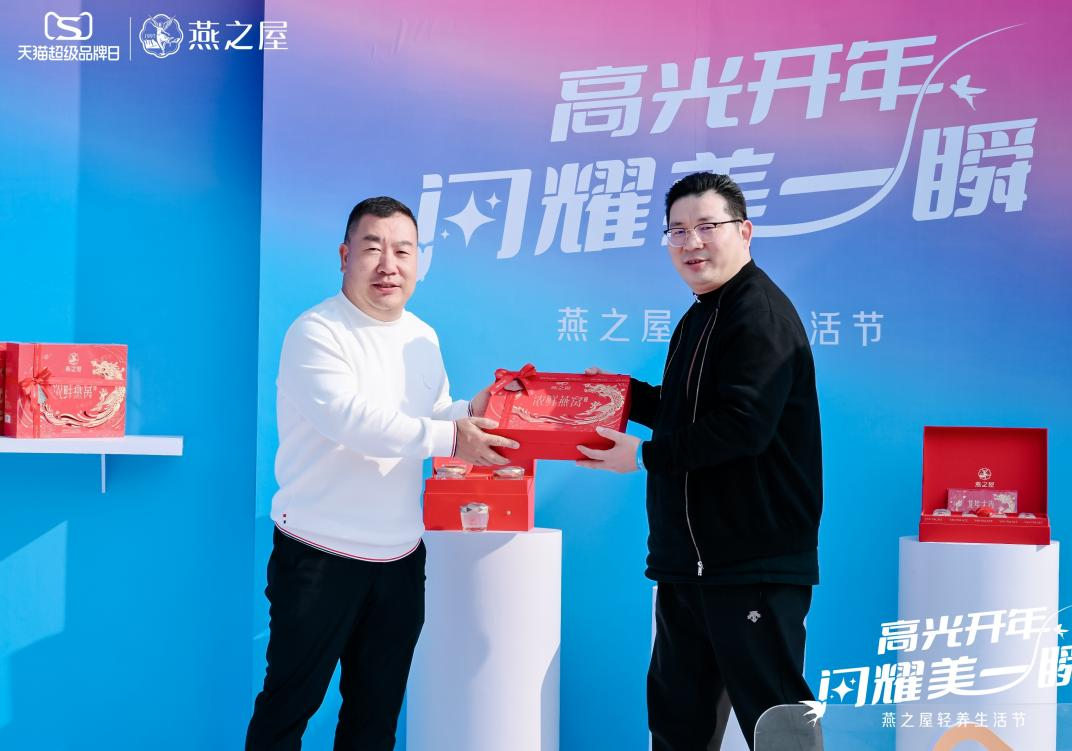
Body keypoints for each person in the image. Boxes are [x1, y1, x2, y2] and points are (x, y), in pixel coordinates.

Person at [246, 196, 517, 750]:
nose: (388, 265)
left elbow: (432, 413)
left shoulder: (422, 336)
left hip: (399, 559)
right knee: (287, 709)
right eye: (373, 248)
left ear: (419, 261)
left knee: (375, 719)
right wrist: (453, 436)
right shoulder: (316, 332)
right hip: (319, 554)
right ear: (344, 255)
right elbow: (353, 422)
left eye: (403, 251)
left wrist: (473, 411)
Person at [577, 172, 823, 749]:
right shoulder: (702, 313)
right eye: (678, 230)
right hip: (689, 566)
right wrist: (621, 397)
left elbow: (743, 425)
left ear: (745, 231)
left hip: (750, 565)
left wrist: (645, 456)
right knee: (678, 722)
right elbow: (690, 410)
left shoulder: (759, 314)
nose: (691, 243)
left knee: (777, 725)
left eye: (707, 227)